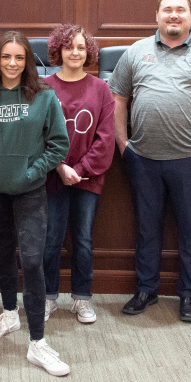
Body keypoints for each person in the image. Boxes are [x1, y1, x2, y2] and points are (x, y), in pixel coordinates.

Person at [110, 0, 191, 323]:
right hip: (143, 159)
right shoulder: (136, 51)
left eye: (181, 9)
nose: (174, 15)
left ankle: (189, 295)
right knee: (146, 229)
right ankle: (146, 289)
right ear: (157, 15)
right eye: (168, 9)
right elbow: (117, 98)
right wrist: (123, 144)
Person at [0, 32, 71, 375]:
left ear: (28, 60)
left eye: (19, 57)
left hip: (30, 191)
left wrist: (33, 171)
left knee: (31, 261)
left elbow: (59, 144)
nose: (12, 63)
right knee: (3, 252)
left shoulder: (44, 96)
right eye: (5, 57)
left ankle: (38, 343)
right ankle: (9, 314)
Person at [41, 24, 115, 325]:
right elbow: (38, 135)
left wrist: (80, 170)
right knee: (51, 239)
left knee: (82, 240)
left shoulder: (101, 89)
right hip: (52, 176)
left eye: (81, 47)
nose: (75, 52)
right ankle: (47, 297)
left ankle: (82, 298)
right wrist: (60, 166)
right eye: (69, 46)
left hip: (88, 178)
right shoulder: (44, 87)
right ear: (58, 51)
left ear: (89, 52)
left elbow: (105, 138)